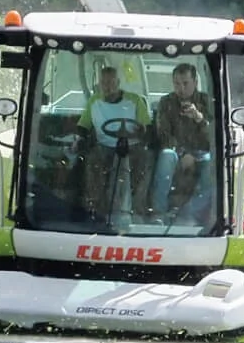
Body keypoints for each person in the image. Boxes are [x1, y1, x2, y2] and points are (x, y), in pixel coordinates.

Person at [76, 65, 152, 222]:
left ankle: (138, 208)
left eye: (111, 83)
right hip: (104, 144)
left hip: (132, 145)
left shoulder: (134, 100)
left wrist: (139, 134)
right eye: (104, 83)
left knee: (145, 160)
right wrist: (78, 140)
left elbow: (147, 127)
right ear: (99, 84)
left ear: (118, 83)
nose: (107, 87)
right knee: (92, 161)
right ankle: (95, 209)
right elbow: (83, 126)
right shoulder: (94, 101)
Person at [150, 62, 215, 224]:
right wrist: (182, 153)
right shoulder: (166, 102)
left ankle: (189, 213)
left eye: (185, 83)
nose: (181, 88)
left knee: (210, 162)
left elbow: (215, 136)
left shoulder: (207, 101)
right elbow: (163, 134)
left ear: (195, 82)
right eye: (177, 84)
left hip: (202, 152)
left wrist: (199, 118)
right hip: (175, 151)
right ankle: (159, 212)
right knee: (166, 156)